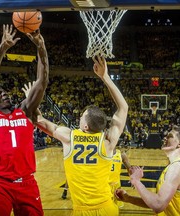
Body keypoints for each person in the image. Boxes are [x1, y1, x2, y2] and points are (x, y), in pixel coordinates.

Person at [34, 55, 128, 215]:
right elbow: (123, 107)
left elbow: (38, 120)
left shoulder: (69, 137)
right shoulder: (107, 141)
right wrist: (105, 77)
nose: (79, 118)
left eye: (82, 116)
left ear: (85, 125)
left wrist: (32, 98)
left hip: (82, 211)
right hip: (107, 209)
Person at [0, 24, 49, 216]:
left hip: (27, 183)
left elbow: (42, 82)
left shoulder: (25, 111)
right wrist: (2, 47)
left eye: (6, 93)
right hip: (0, 184)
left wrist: (41, 47)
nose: (4, 95)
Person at [115, 126, 180, 216]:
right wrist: (128, 198)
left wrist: (136, 181)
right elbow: (155, 201)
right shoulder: (173, 166)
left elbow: (158, 205)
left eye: (169, 136)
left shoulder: (177, 168)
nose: (165, 138)